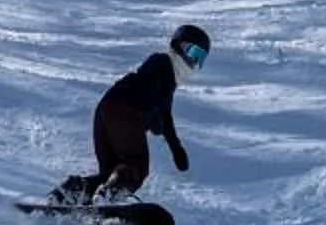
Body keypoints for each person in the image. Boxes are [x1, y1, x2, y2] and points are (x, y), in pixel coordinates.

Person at [50, 23, 210, 206]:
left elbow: (165, 115)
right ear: (177, 46)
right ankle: (109, 195)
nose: (194, 62)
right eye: (193, 53)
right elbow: (147, 85)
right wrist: (152, 111)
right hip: (125, 111)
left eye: (200, 58)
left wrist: (176, 148)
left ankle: (68, 193)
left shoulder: (168, 77)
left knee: (110, 172)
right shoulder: (161, 62)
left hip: (106, 110)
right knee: (137, 166)